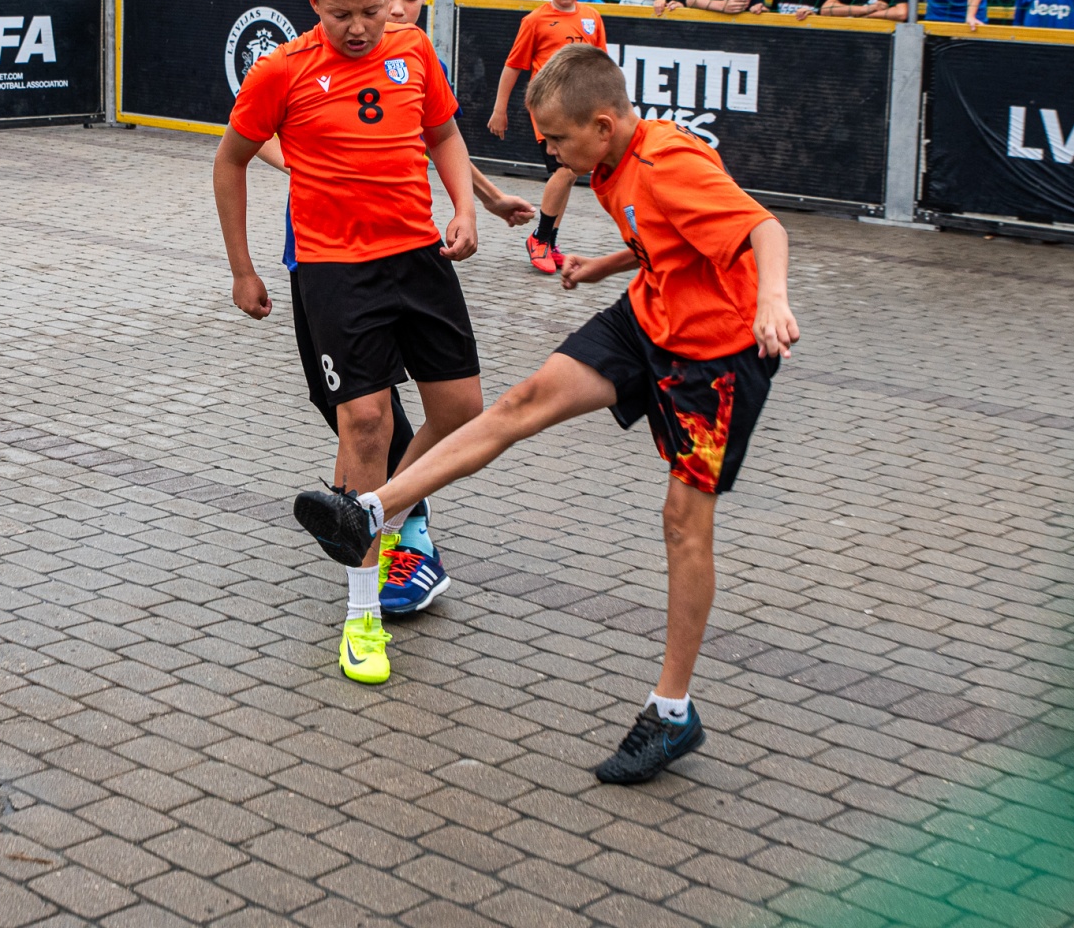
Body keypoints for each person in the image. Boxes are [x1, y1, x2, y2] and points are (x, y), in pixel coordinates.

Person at [294, 42, 797, 784]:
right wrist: (608, 265)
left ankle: (671, 713)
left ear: (602, 125)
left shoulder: (669, 161)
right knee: (520, 403)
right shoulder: (612, 163)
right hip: (648, 317)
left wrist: (774, 301)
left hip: (714, 358)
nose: (551, 154)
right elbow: (670, 238)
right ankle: (369, 512)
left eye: (558, 140)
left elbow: (763, 229)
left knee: (683, 525)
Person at [214, 0, 485, 685]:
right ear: (314, 2)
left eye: (372, 9)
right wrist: (242, 269)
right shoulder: (282, 69)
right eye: (342, 15)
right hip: (335, 271)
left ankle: (380, 511)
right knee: (366, 423)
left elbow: (444, 134)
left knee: (464, 411)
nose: (361, 27)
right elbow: (230, 162)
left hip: (419, 260)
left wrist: (465, 208)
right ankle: (362, 618)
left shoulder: (414, 51)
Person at [256, 0, 535, 619]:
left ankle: (398, 533)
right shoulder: (298, 66)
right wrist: (307, 164)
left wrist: (480, 201)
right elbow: (251, 138)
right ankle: (372, 528)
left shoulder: (408, 52)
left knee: (388, 421)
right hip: (323, 259)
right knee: (356, 415)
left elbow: (433, 134)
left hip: (406, 255)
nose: (397, 12)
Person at [489, 0, 605, 275]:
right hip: (547, 108)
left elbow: (600, 65)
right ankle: (539, 238)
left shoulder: (592, 17)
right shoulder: (535, 21)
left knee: (570, 173)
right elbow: (513, 66)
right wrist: (500, 109)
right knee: (565, 170)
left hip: (579, 109)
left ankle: (550, 242)